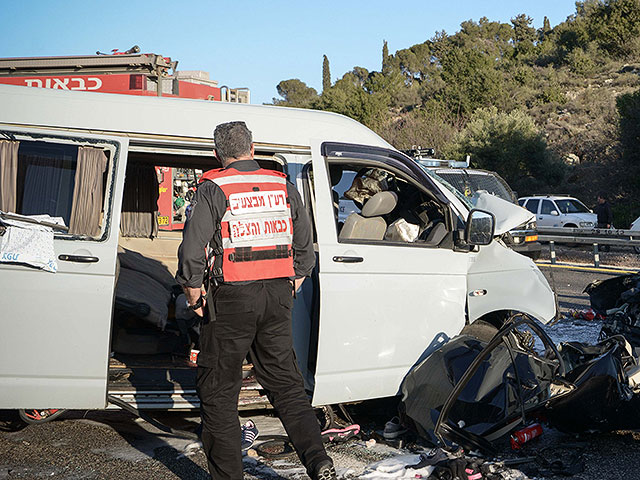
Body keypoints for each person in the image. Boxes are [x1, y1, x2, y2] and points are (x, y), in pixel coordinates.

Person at [175, 121, 335, 480]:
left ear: (218, 153)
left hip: (231, 299)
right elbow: (304, 247)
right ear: (253, 148)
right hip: (277, 297)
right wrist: (295, 280)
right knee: (287, 384)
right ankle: (317, 460)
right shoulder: (283, 185)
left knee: (219, 392)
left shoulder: (214, 186)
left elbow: (191, 250)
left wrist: (193, 292)